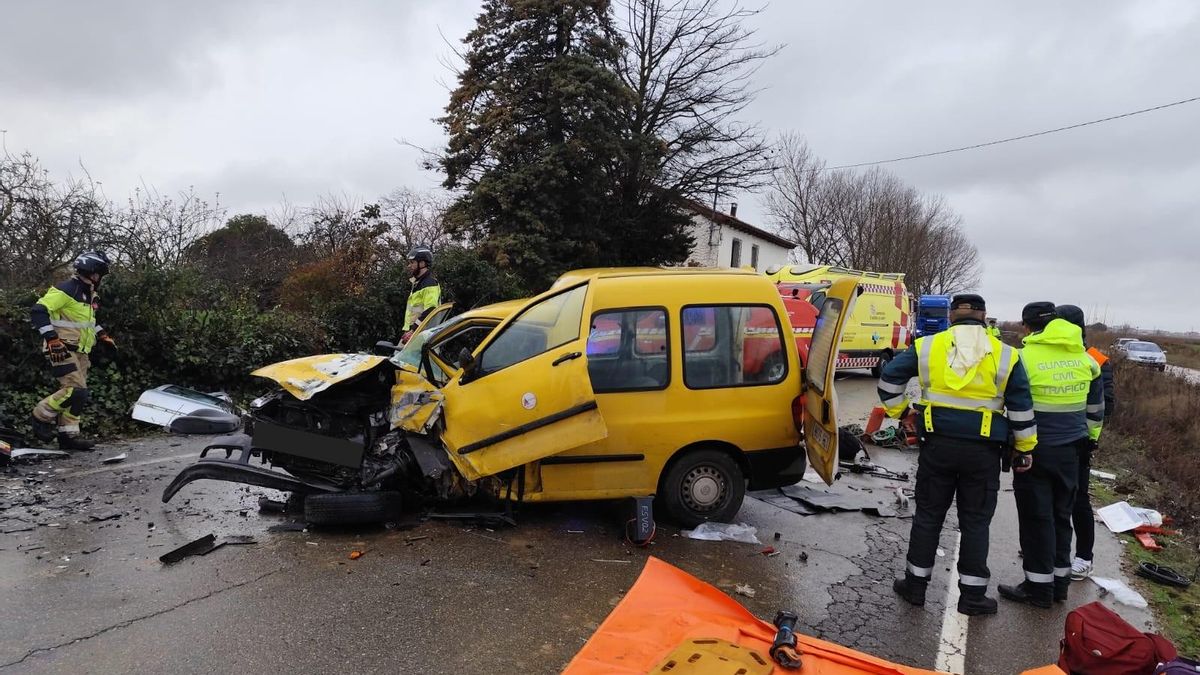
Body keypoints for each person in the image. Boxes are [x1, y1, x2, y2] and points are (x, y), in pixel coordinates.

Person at [880, 294, 1037, 616]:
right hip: (983, 453)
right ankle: (972, 597)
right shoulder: (1006, 355)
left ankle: (915, 587)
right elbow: (1021, 409)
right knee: (976, 522)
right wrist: (1024, 449)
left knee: (928, 516)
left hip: (936, 446)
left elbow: (889, 379)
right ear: (984, 316)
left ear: (952, 315)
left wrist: (903, 413)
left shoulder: (927, 346)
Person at [999, 302, 1103, 608]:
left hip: (1034, 450)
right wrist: (1089, 441)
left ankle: (1037, 588)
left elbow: (1012, 404)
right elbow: (1096, 411)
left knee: (1035, 518)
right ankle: (1059, 585)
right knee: (1061, 516)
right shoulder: (1086, 360)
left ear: (1029, 326)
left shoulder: (1024, 358)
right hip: (1073, 450)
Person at [28, 251, 115, 451]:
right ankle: (39, 416)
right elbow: (39, 310)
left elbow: (87, 322)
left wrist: (103, 335)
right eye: (100, 273)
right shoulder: (67, 289)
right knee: (75, 391)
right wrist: (51, 339)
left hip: (81, 351)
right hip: (61, 348)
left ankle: (68, 437)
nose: (100, 278)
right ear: (91, 271)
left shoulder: (90, 294)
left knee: (79, 396)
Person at [1055, 304, 1116, 581]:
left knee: (1078, 499)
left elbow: (1107, 406)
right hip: (1054, 441)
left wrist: (1086, 436)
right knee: (1051, 498)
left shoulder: (1096, 360)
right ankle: (1055, 550)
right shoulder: (1055, 356)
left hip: (1079, 442)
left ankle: (1084, 557)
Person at [401, 245, 441, 344]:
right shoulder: (417, 283)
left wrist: (413, 330)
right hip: (414, 334)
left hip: (422, 336)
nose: (409, 266)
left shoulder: (429, 283)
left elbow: (430, 310)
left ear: (422, 263)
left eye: (412, 262)